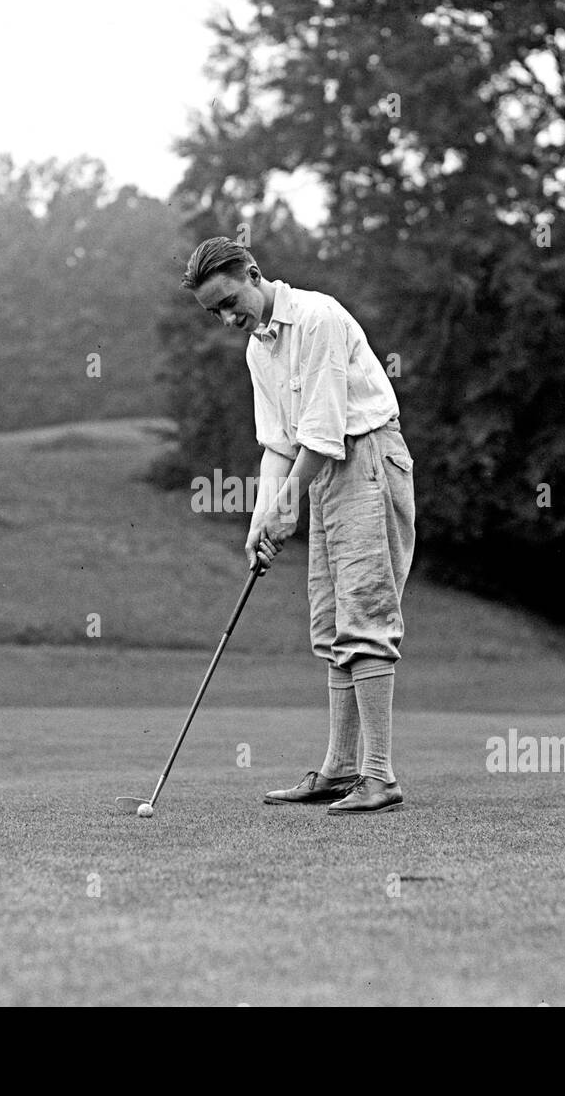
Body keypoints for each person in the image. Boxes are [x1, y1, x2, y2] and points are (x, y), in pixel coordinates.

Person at [181, 237, 416, 814]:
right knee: (332, 620)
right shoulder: (259, 350)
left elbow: (323, 432)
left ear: (254, 275)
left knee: (365, 612)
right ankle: (339, 769)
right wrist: (264, 516)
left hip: (367, 459)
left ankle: (379, 776)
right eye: (216, 312)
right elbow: (278, 446)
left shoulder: (318, 317)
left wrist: (289, 505)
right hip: (326, 473)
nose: (229, 317)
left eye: (231, 301)